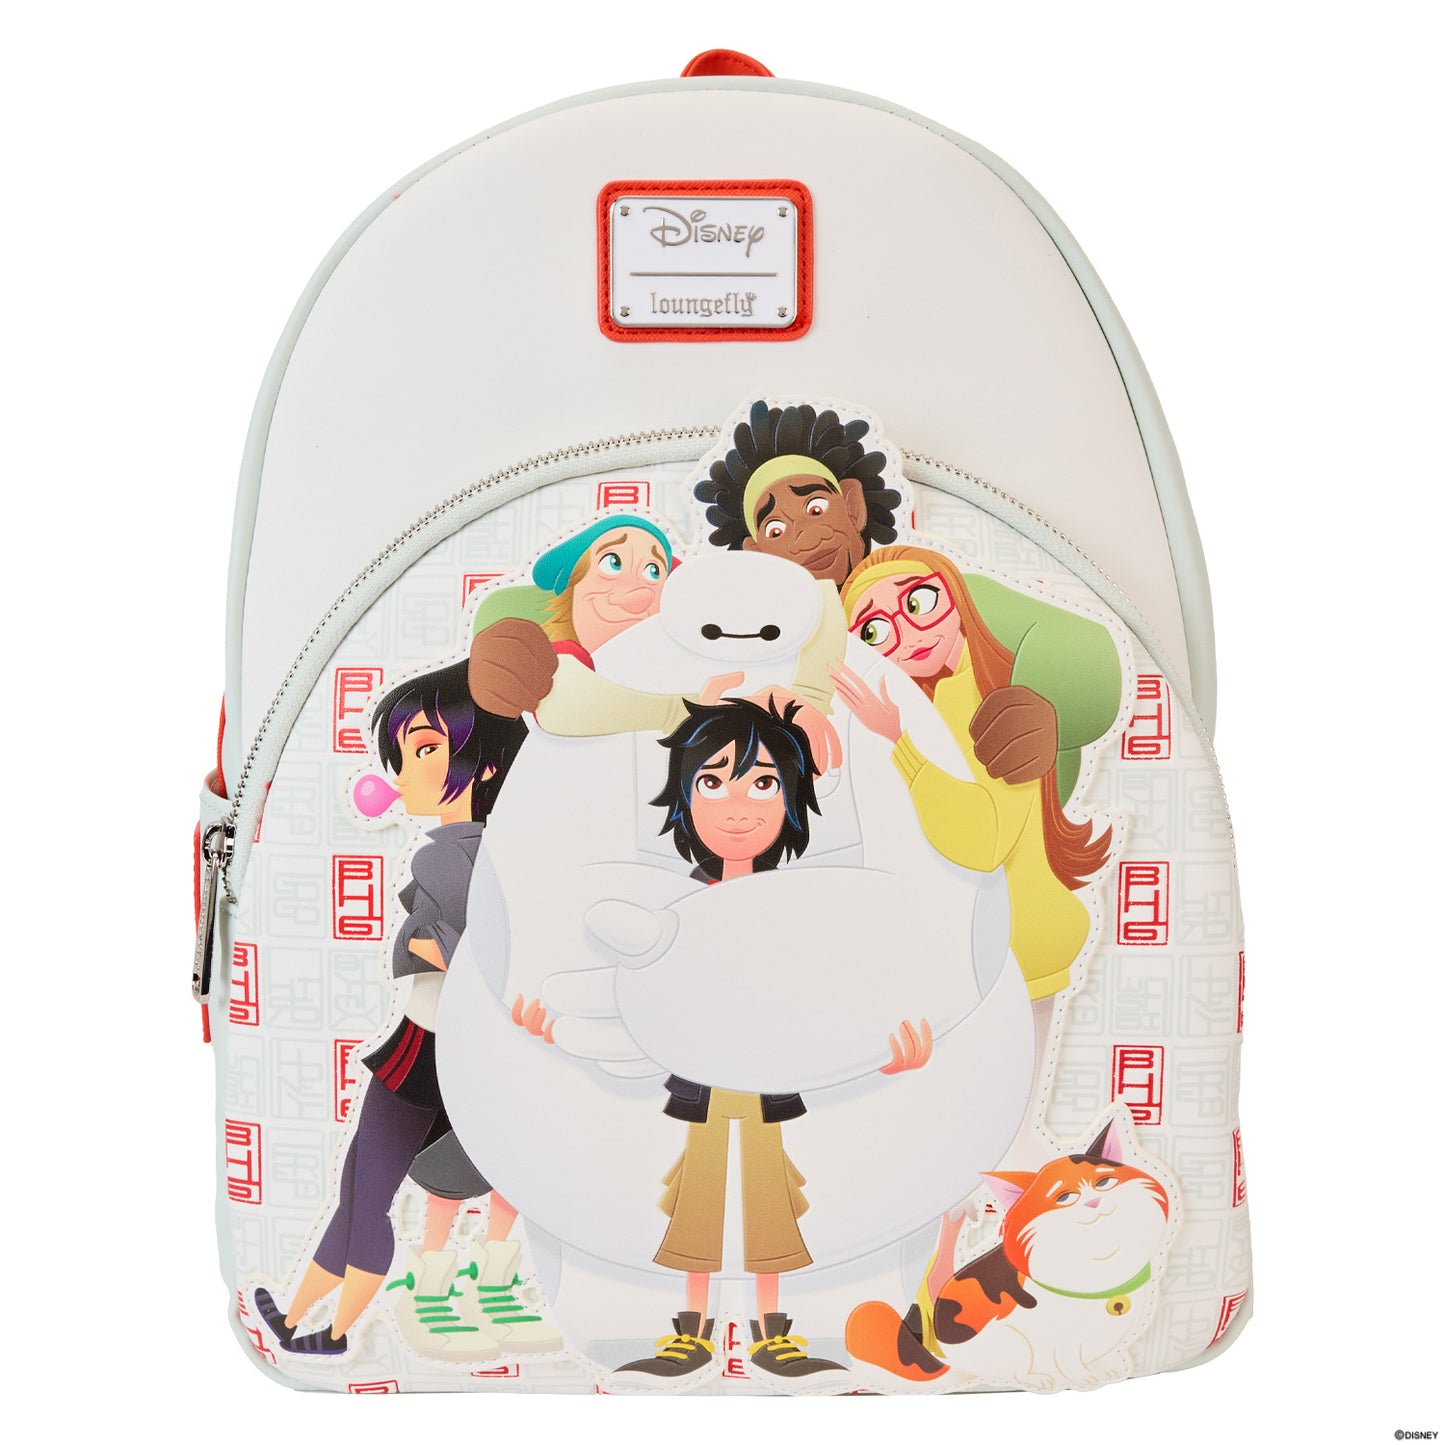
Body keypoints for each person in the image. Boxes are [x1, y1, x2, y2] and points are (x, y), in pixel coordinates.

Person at [831, 544, 1121, 1352]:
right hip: (980, 951)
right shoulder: (928, 703)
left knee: (991, 1134)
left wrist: (894, 740)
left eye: (919, 601)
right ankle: (953, 1285)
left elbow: (980, 837)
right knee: (965, 1131)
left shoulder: (991, 706)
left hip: (1007, 949)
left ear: (957, 599)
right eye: (874, 629)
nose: (904, 632)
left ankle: (1069, 1261)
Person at [612, 699, 931, 1388]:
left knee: (770, 1199)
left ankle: (771, 1333)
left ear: (791, 798)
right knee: (695, 1197)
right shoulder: (673, 904)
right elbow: (640, 990)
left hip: (771, 1078)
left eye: (762, 782)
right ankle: (690, 1332)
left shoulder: (801, 907)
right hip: (699, 1080)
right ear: (683, 797)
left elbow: (832, 997)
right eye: (712, 781)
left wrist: (886, 1056)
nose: (738, 806)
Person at [251, 661, 560, 1359]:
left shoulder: (455, 858)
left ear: (484, 766)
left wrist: (429, 944)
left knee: (368, 1193)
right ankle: (294, 1316)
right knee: (358, 1186)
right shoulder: (481, 853)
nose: (402, 771)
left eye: (425, 750)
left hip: (427, 1053)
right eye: (404, 753)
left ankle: (335, 1333)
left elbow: (485, 955)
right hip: (429, 1043)